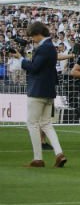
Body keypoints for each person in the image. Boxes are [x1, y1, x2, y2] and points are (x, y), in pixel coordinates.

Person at [12, 21, 67, 168]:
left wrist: (21, 59)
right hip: (48, 91)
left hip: (37, 91)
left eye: (32, 36)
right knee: (46, 124)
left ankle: (38, 158)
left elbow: (34, 68)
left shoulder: (44, 48)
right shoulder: (50, 47)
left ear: (37, 34)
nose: (32, 39)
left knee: (32, 123)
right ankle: (59, 154)